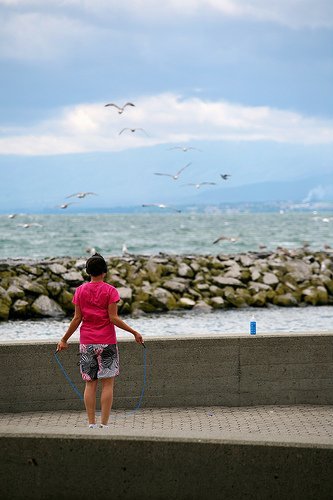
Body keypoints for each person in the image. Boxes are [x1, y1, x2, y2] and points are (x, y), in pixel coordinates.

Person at [56, 253, 144, 429]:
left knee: (90, 383)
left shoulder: (80, 291)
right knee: (108, 384)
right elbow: (113, 318)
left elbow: (77, 319)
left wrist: (64, 339)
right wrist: (134, 332)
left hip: (87, 343)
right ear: (104, 272)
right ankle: (104, 424)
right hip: (107, 343)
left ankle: (91, 423)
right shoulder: (110, 291)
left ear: (88, 272)